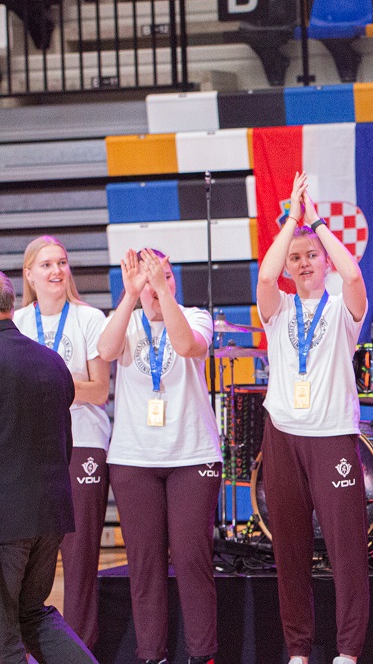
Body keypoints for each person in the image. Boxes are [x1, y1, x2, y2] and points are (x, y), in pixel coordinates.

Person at [255, 172, 369, 664]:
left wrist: (317, 222)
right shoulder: (278, 307)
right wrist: (291, 222)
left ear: (325, 263)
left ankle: (348, 651)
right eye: (296, 258)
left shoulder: (343, 308)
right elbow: (265, 277)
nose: (303, 263)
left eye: (312, 256)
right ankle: (298, 650)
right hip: (283, 436)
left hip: (332, 436)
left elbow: (355, 276)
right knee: (290, 552)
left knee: (346, 552)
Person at [97, 248, 221, 664]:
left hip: (191, 456)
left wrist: (162, 294)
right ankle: (152, 655)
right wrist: (131, 295)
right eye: (150, 277)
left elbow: (186, 346)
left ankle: (202, 654)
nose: (156, 284)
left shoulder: (195, 316)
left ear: (174, 282)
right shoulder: (126, 320)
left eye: (165, 275)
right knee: (145, 564)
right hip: (134, 460)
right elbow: (106, 350)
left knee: (191, 559)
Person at [13, 236, 111, 651]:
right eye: (47, 264)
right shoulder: (16, 322)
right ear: (29, 275)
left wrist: (46, 383)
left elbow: (99, 390)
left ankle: (80, 650)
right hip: (28, 448)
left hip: (82, 442)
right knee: (23, 559)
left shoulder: (89, 318)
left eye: (62, 262)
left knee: (79, 557)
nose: (56, 271)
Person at [0, 270, 99, 664]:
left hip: (7, 520)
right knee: (32, 616)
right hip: (50, 513)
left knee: (4, 634)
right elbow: (64, 441)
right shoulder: (52, 361)